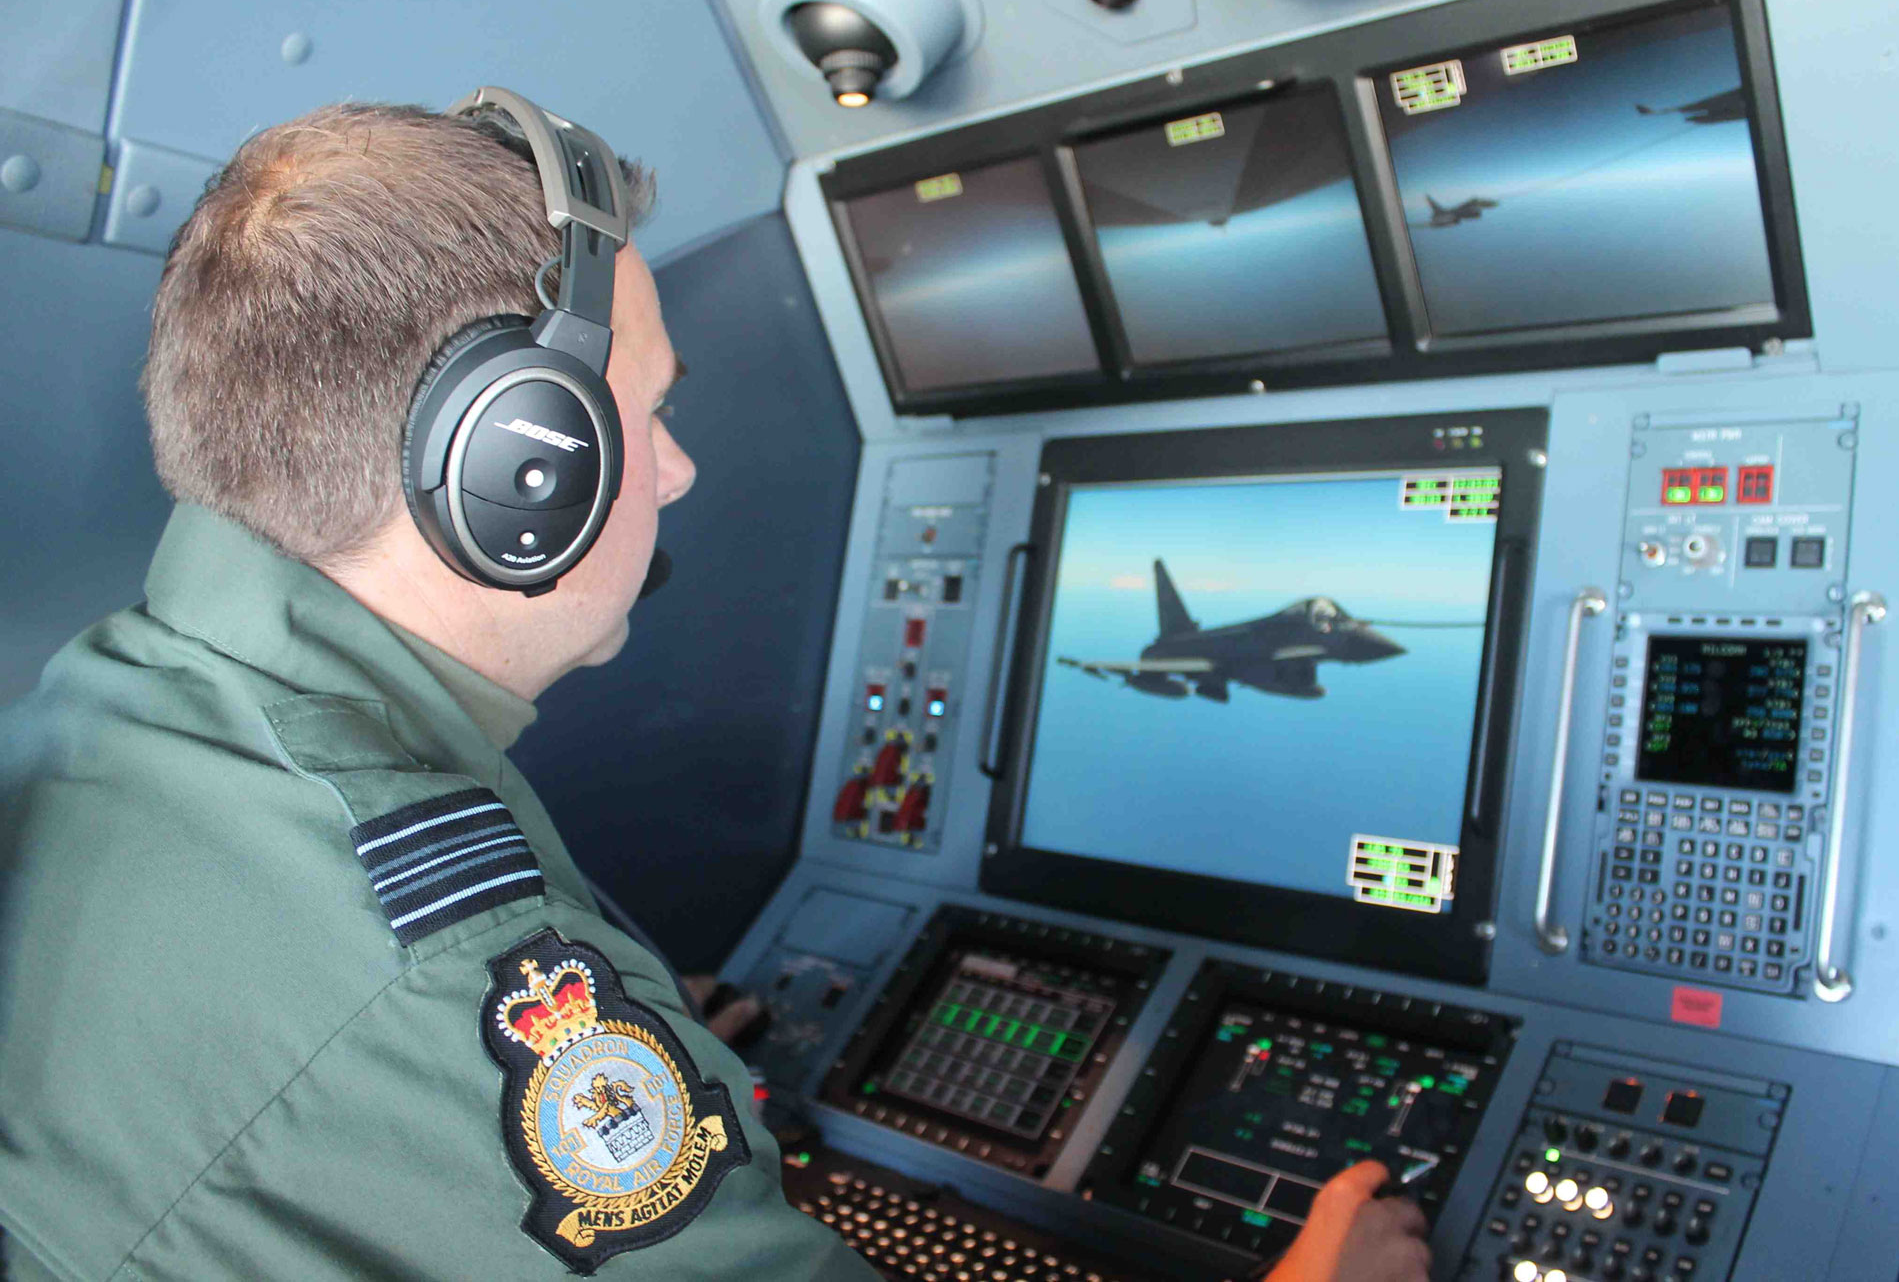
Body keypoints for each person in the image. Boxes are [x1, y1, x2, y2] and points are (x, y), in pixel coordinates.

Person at [0, 96, 1430, 1281]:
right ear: (523, 474)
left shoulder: (110, 703)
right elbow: (412, 1020)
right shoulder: (450, 987)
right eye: (653, 408)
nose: (679, 471)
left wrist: (641, 1037)